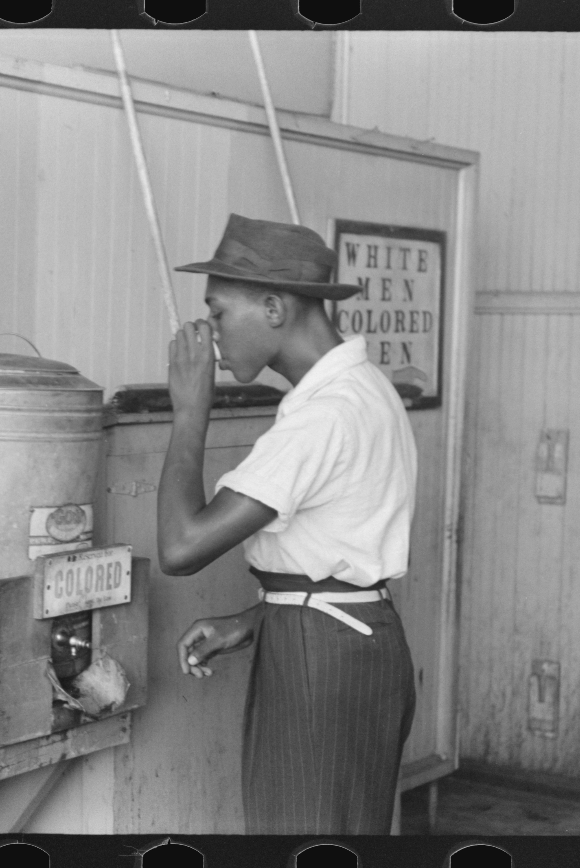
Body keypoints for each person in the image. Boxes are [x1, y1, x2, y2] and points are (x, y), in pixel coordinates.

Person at [157, 213, 418, 835]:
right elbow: (338, 554)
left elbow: (181, 546)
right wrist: (256, 621)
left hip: (321, 660)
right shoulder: (362, 389)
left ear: (274, 307)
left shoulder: (325, 416)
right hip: (349, 638)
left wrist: (190, 411)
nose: (211, 333)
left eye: (218, 313)